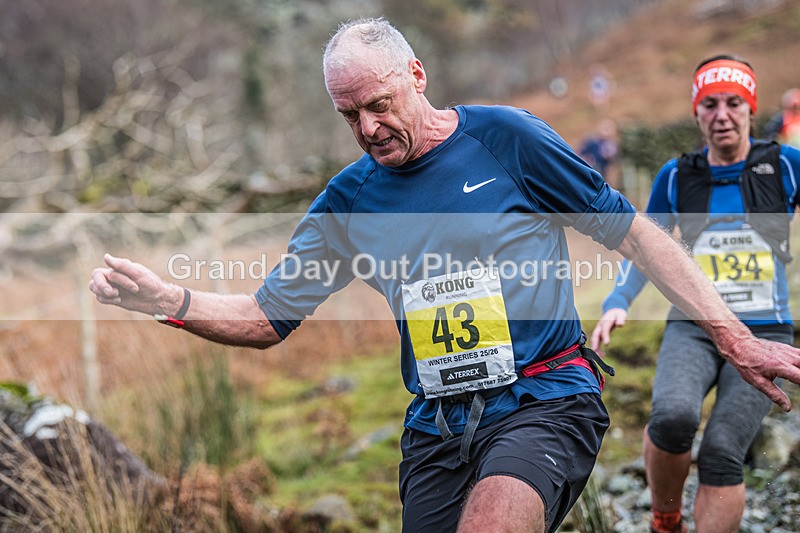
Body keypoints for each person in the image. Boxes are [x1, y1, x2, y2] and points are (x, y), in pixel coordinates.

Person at [89, 22, 800, 532]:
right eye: (349, 115)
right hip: (437, 426)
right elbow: (268, 315)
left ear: (416, 77)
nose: (368, 127)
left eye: (379, 105)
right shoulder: (348, 199)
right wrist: (170, 301)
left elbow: (637, 234)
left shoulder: (507, 139)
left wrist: (734, 337)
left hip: (544, 398)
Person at [591, 55, 800, 533]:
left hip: (766, 329)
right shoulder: (676, 176)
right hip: (694, 325)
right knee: (672, 418)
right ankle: (665, 520)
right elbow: (647, 247)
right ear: (696, 112)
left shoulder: (786, 166)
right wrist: (617, 303)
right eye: (710, 104)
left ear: (751, 108)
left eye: (733, 102)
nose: (722, 114)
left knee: (724, 450)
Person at [578, 118, 621, 190]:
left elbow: (614, 161)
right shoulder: (592, 141)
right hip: (591, 172)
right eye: (605, 128)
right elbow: (580, 153)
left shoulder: (611, 144)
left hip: (604, 174)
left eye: (610, 128)